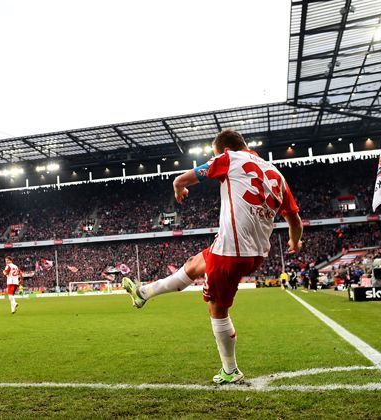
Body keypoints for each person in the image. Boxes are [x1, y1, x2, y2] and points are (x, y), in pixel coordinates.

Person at [122, 129, 303, 385]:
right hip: (256, 251)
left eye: (214, 155)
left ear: (224, 150)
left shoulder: (229, 159)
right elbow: (294, 218)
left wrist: (177, 187)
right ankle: (143, 294)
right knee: (195, 264)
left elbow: (183, 179)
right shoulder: (276, 174)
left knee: (217, 308)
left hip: (233, 250)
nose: (214, 159)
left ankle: (230, 370)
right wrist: (294, 240)